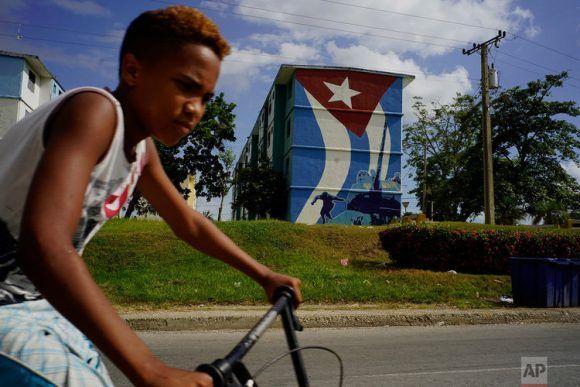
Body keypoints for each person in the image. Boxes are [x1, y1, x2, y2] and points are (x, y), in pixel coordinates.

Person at [0, 6, 302, 386]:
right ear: (133, 71)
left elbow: (188, 222)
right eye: (186, 87)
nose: (197, 109)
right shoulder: (94, 111)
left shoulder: (141, 151)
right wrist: (150, 369)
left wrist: (263, 275)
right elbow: (44, 244)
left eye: (206, 97)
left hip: (32, 302)